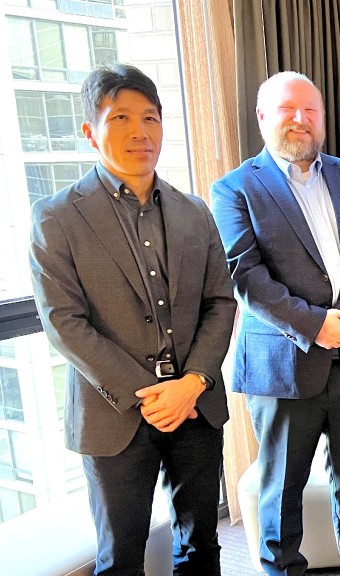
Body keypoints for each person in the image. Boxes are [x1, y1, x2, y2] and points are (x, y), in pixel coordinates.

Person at [29, 64, 236, 575]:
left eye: (150, 117)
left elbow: (221, 302)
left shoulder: (194, 212)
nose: (139, 132)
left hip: (196, 406)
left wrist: (192, 383)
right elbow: (64, 322)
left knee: (203, 546)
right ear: (89, 132)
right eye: (119, 117)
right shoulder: (56, 217)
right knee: (121, 557)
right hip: (114, 414)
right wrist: (153, 394)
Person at [211, 71, 340, 576]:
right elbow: (246, 276)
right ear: (262, 117)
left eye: (310, 110)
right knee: (281, 485)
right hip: (283, 365)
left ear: (321, 117)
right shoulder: (234, 189)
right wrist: (316, 325)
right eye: (287, 108)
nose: (300, 119)